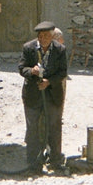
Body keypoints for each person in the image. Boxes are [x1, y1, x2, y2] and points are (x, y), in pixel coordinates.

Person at [19, 21, 69, 173]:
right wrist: (32, 71)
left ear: (52, 36)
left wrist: (48, 82)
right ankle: (33, 164)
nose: (44, 39)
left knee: (54, 127)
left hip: (52, 95)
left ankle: (55, 161)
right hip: (33, 96)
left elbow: (62, 72)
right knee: (33, 129)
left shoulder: (60, 50)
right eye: (41, 36)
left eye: (47, 36)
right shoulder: (28, 48)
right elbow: (21, 68)